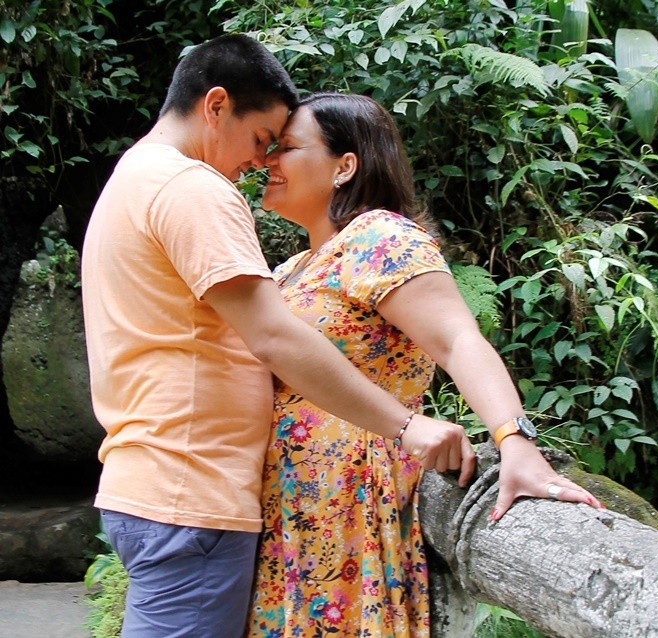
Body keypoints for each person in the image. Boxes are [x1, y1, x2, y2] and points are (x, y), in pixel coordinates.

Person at [81, 36, 475, 638]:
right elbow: (274, 336)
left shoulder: (132, 179)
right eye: (264, 140)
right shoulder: (190, 188)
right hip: (191, 491)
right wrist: (407, 425)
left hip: (166, 484)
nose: (260, 162)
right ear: (216, 107)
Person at [246, 92, 602, 637]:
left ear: (346, 165)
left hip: (348, 498)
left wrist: (515, 440)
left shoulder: (379, 237)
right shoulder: (292, 267)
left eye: (287, 148)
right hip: (287, 506)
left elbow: (459, 340)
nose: (268, 161)